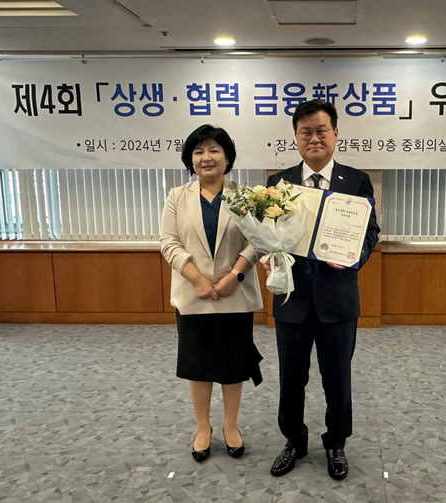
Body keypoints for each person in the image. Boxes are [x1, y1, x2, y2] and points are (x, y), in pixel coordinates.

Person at [266, 100, 380, 480]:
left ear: (335, 134)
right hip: (292, 299)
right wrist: (268, 255)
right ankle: (293, 441)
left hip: (338, 300)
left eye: (321, 131)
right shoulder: (278, 183)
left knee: (338, 379)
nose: (314, 138)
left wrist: (353, 257)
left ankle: (336, 443)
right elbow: (266, 233)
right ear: (296, 138)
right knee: (290, 379)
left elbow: (370, 231)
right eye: (305, 132)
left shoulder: (356, 180)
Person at [160, 124, 263, 463]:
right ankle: (203, 428)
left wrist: (235, 275)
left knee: (233, 364)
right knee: (198, 364)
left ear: (227, 157)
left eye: (214, 150)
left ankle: (231, 426)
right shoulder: (177, 196)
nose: (207, 157)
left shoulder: (244, 196)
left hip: (235, 294)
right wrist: (197, 280)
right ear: (191, 160)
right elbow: (169, 243)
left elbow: (257, 241)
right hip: (194, 296)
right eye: (199, 151)